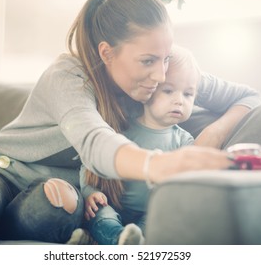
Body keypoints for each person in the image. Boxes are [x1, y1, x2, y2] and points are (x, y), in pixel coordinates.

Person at [0, 0, 261, 245]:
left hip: (54, 192)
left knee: (58, 208)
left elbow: (250, 96)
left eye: (164, 58)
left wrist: (213, 136)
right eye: (148, 61)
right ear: (107, 52)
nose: (161, 75)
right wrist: (158, 164)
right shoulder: (69, 75)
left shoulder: (165, 74)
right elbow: (93, 140)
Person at [78, 46, 200, 245]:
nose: (179, 101)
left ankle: (116, 243)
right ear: (148, 91)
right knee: (100, 214)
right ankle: (117, 240)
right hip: (111, 203)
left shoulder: (184, 142)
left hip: (151, 213)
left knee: (156, 223)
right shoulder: (122, 130)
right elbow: (89, 162)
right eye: (168, 91)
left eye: (188, 94)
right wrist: (89, 192)